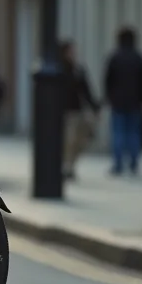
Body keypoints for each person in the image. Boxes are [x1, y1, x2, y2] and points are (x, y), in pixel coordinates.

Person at [103, 26, 142, 175]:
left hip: (118, 101)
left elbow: (108, 80)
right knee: (134, 132)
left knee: (118, 132)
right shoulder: (138, 57)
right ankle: (134, 163)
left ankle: (118, 164)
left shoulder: (115, 57)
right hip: (135, 101)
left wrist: (109, 96)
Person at [59, 41, 99, 180]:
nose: (73, 54)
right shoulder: (59, 69)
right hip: (63, 111)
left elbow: (85, 89)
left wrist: (94, 105)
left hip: (77, 110)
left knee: (80, 140)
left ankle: (70, 165)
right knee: (68, 141)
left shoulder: (78, 69)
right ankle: (66, 167)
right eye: (70, 51)